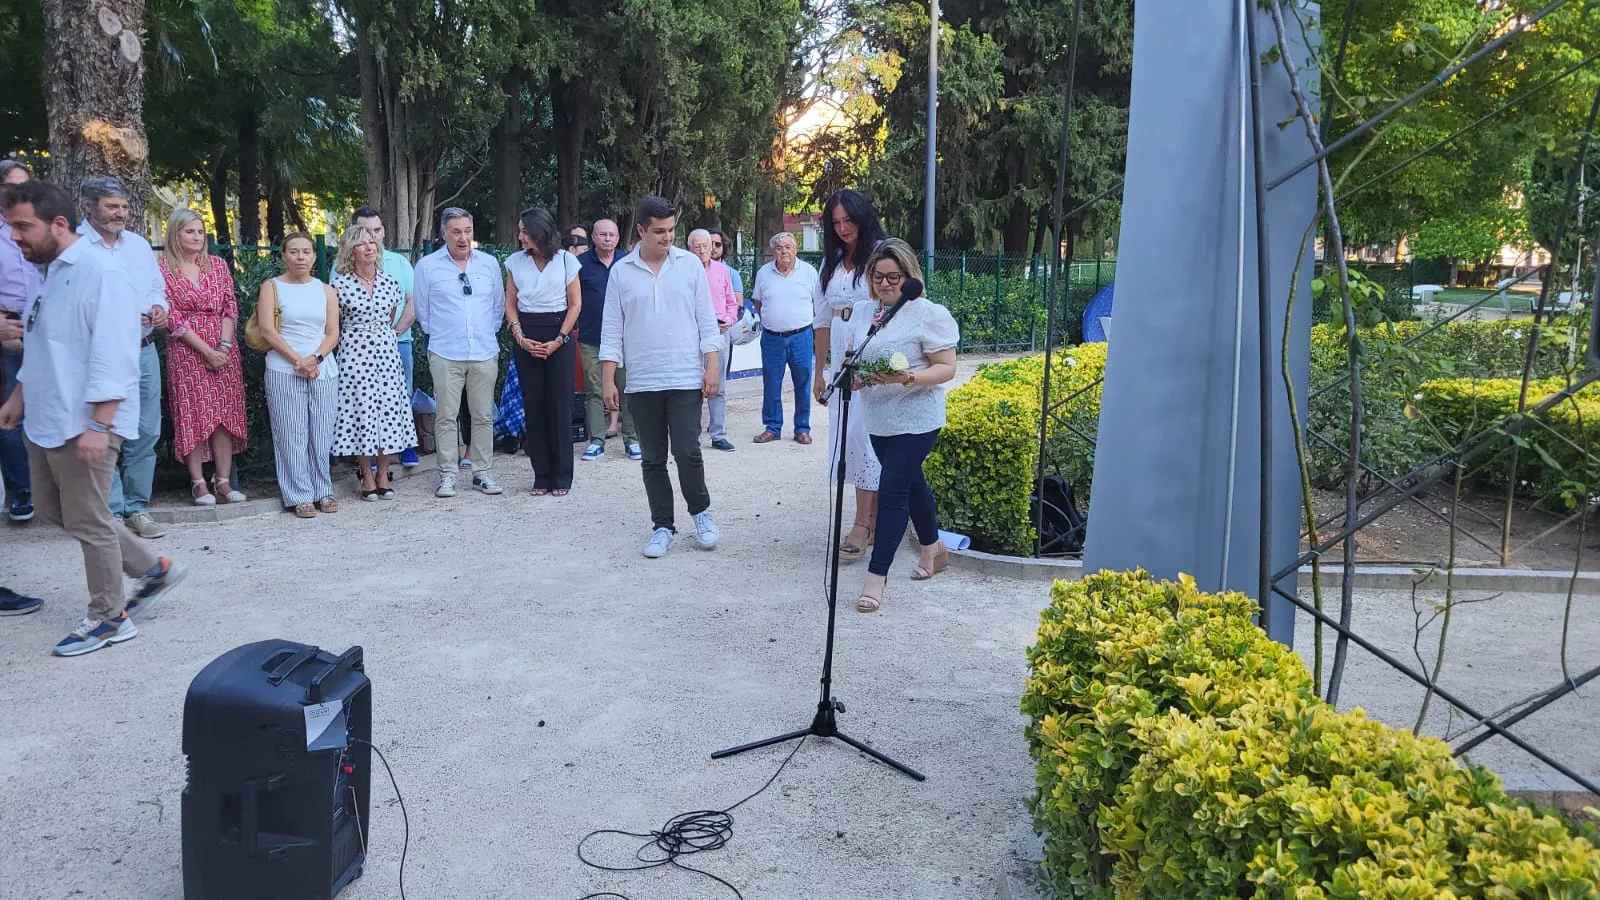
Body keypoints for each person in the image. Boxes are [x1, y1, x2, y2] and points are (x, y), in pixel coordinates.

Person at [0, 180, 188, 656]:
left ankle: (109, 617)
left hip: (85, 422)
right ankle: (152, 567)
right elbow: (44, 343)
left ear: (59, 224)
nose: (15, 237)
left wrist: (99, 425)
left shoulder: (100, 273)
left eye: (23, 227)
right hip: (47, 416)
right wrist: (19, 395)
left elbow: (116, 354)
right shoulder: (46, 271)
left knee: (89, 520)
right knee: (54, 511)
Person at [600, 196, 723, 558]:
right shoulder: (621, 272)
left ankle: (701, 513)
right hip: (642, 379)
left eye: (671, 230)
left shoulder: (689, 266)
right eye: (659, 231)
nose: (668, 237)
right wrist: (609, 380)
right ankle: (662, 525)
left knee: (688, 451)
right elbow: (611, 329)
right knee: (653, 458)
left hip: (685, 375)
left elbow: (706, 320)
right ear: (640, 230)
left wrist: (711, 366)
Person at [851, 239, 959, 613]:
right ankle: (933, 549)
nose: (884, 284)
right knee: (912, 484)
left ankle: (875, 578)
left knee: (893, 490)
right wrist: (857, 376)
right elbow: (854, 359)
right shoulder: (865, 313)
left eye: (893, 276)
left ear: (909, 275)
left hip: (918, 418)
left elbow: (947, 367)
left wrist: (906, 378)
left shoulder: (927, 313)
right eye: (878, 276)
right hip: (879, 418)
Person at [77, 176, 169, 540]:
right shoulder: (79, 247)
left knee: (147, 431)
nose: (121, 214)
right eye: (112, 206)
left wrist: (160, 308)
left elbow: (156, 288)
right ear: (88, 205)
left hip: (144, 351)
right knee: (107, 431)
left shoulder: (138, 245)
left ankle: (138, 507)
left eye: (125, 207)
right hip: (100, 356)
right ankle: (111, 512)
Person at [814, 188, 887, 562]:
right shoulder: (830, 264)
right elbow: (822, 321)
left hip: (869, 350)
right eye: (836, 222)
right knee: (847, 433)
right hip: (839, 354)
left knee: (865, 434)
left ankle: (863, 522)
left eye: (848, 220)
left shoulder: (880, 256)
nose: (843, 228)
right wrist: (819, 372)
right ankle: (871, 517)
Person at [159, 208, 248, 506]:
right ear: (175, 233)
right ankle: (198, 482)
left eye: (200, 231)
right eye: (189, 231)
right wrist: (206, 351)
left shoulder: (218, 266)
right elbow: (171, 316)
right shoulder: (162, 269)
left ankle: (222, 481)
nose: (197, 237)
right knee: (193, 413)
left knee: (223, 412)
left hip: (224, 348)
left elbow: (229, 308)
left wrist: (222, 347)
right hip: (187, 350)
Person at [414, 208, 504, 497]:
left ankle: (483, 473)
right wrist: (442, 334)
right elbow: (423, 312)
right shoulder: (427, 266)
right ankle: (448, 475)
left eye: (467, 230)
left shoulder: (489, 264)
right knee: (446, 416)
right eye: (456, 231)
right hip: (445, 350)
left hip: (483, 349)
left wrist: (485, 333)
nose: (463, 237)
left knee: (482, 415)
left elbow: (497, 307)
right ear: (443, 234)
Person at [330, 224, 417, 500]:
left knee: (387, 413)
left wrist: (387, 336)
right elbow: (337, 322)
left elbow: (391, 316)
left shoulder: (390, 281)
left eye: (372, 242)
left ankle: (383, 473)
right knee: (362, 412)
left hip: (387, 353)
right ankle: (366, 475)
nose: (369, 247)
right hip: (354, 353)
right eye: (361, 244)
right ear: (350, 251)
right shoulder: (339, 285)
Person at [258, 232, 341, 518]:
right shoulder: (272, 287)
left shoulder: (325, 290)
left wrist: (315, 358)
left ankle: (323, 489)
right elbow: (267, 330)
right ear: (283, 255)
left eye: (306, 252)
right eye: (294, 252)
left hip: (322, 368)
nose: (301, 257)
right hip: (284, 368)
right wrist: (298, 361)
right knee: (290, 432)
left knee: (320, 433)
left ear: (315, 256)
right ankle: (299, 494)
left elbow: (333, 333)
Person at [505, 207, 581, 495]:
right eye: (520, 230)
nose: (521, 236)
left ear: (540, 231)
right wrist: (519, 336)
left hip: (558, 333)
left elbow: (575, 304)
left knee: (560, 407)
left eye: (525, 230)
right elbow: (510, 303)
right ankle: (541, 474)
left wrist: (560, 338)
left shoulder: (566, 262)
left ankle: (562, 476)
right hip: (527, 334)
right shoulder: (515, 262)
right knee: (534, 407)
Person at [350, 207, 420, 468]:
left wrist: (392, 333)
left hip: (397, 343)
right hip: (358, 347)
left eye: (377, 230)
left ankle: (405, 446)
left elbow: (411, 302)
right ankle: (364, 454)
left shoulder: (399, 263)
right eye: (366, 231)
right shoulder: (340, 268)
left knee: (401, 394)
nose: (373, 237)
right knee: (363, 399)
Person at [575, 218, 640, 461]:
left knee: (627, 389)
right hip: (592, 338)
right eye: (602, 234)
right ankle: (597, 441)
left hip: (625, 338)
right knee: (594, 391)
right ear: (593, 237)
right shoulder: (580, 265)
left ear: (617, 237)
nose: (607, 239)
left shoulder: (628, 263)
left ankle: (632, 439)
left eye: (611, 235)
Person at [750, 232, 820, 444]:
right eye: (779, 248)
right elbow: (758, 303)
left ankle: (802, 428)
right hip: (772, 338)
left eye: (788, 247)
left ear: (795, 249)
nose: (784, 251)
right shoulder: (764, 272)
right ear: (774, 251)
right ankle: (772, 427)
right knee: (771, 382)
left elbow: (818, 303)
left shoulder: (809, 272)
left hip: (801, 336)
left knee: (803, 382)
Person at [1, 170, 38, 523]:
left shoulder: (42, 227)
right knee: (13, 410)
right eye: (10, 186)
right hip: (8, 326)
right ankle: (22, 489)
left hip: (44, 324)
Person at [688, 228, 739, 452]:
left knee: (717, 385)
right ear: (689, 248)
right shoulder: (684, 271)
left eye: (705, 245)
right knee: (692, 386)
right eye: (696, 246)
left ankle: (718, 434)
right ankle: (691, 436)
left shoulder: (721, 270)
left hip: (719, 333)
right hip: (691, 335)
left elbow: (732, 302)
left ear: (713, 247)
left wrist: (728, 318)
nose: (702, 250)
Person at [710, 228, 744, 307]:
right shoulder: (698, 271)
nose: (713, 247)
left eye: (717, 244)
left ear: (723, 247)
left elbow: (738, 305)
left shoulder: (732, 274)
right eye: (709, 244)